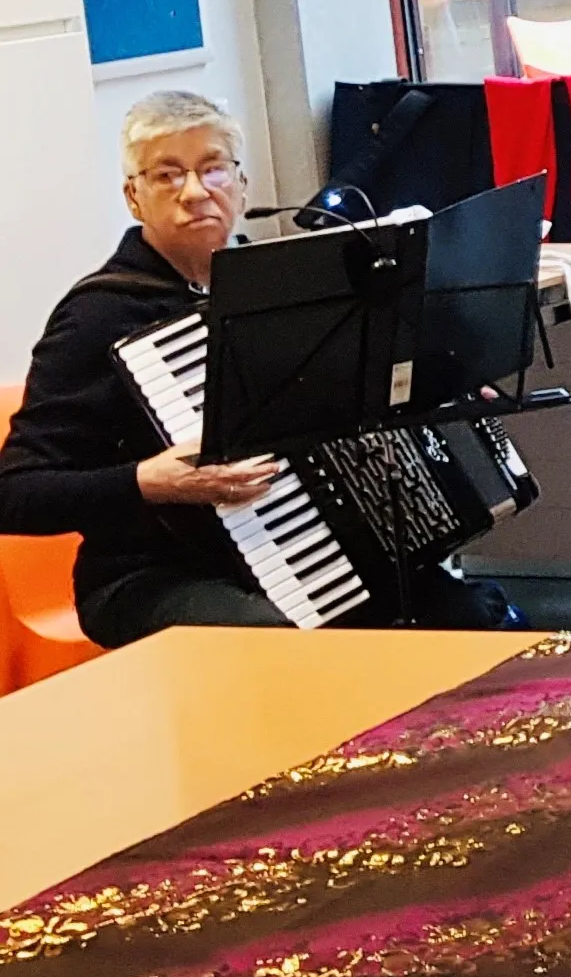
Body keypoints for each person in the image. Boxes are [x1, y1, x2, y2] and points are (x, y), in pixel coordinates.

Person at [0, 91, 514, 644]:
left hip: (311, 549)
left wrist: (437, 387)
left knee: (471, 619)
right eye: (167, 175)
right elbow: (17, 494)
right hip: (152, 574)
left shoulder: (282, 287)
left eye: (212, 169)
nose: (195, 193)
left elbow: (348, 405)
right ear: (133, 197)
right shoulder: (100, 316)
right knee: (277, 647)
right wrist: (150, 483)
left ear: (241, 186)